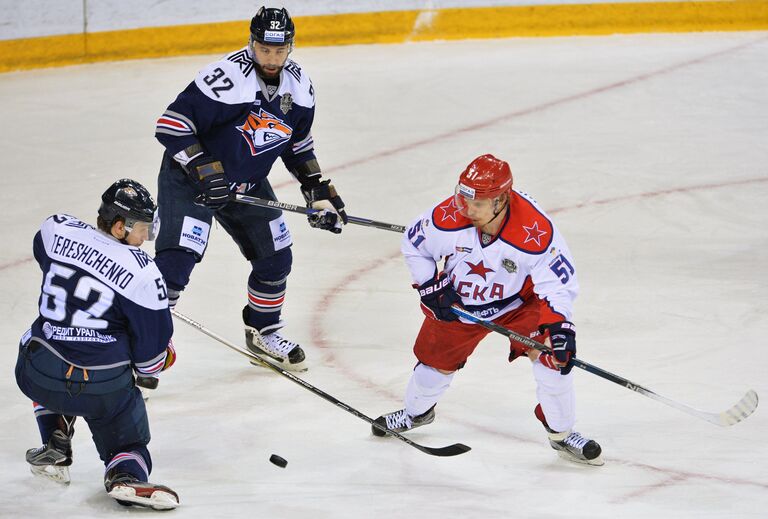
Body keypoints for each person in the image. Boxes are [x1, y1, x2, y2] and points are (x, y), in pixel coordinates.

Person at [372, 154, 603, 466]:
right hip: (460, 304)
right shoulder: (447, 217)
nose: (466, 209)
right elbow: (414, 245)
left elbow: (556, 284)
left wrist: (560, 327)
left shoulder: (534, 232)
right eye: (462, 198)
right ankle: (416, 414)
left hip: (520, 304)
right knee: (431, 371)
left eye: (477, 203)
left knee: (552, 361)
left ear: (501, 200)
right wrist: (431, 287)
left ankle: (562, 434)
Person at [153, 6, 347, 372]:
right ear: (251, 42)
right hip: (190, 181)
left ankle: (263, 330)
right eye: (264, 49)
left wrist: (317, 187)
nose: (271, 58)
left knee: (276, 257)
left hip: (246, 184)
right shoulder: (226, 78)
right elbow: (171, 125)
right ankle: (140, 347)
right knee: (175, 264)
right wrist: (204, 170)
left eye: (279, 50)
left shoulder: (300, 88)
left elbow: (297, 143)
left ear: (290, 46)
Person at [15, 179, 180, 509]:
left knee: (35, 343)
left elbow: (42, 252)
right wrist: (162, 357)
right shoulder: (144, 273)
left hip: (38, 373)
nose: (145, 238)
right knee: (125, 419)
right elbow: (149, 361)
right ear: (119, 227)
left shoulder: (55, 229)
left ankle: (54, 437)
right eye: (142, 229)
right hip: (102, 387)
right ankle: (125, 473)